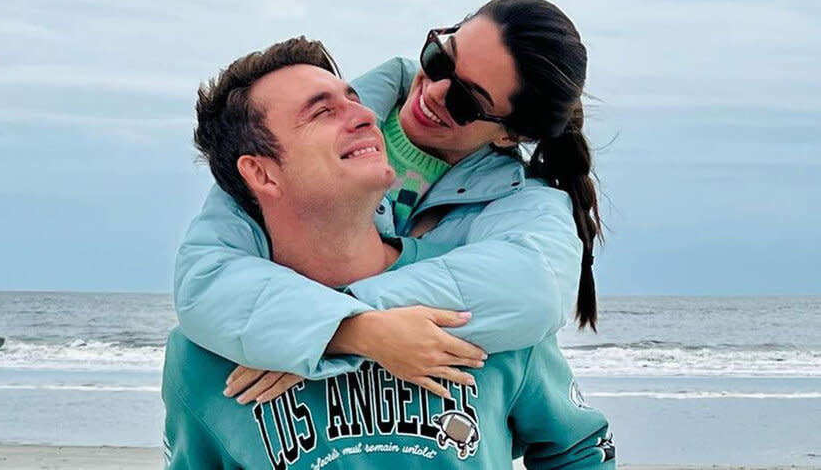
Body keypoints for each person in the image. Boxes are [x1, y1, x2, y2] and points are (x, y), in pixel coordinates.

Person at [162, 38, 614, 469]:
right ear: (261, 173)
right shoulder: (204, 354)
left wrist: (334, 326)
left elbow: (578, 449)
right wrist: (339, 330)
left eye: (355, 99)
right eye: (321, 112)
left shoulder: (484, 309)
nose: (367, 116)